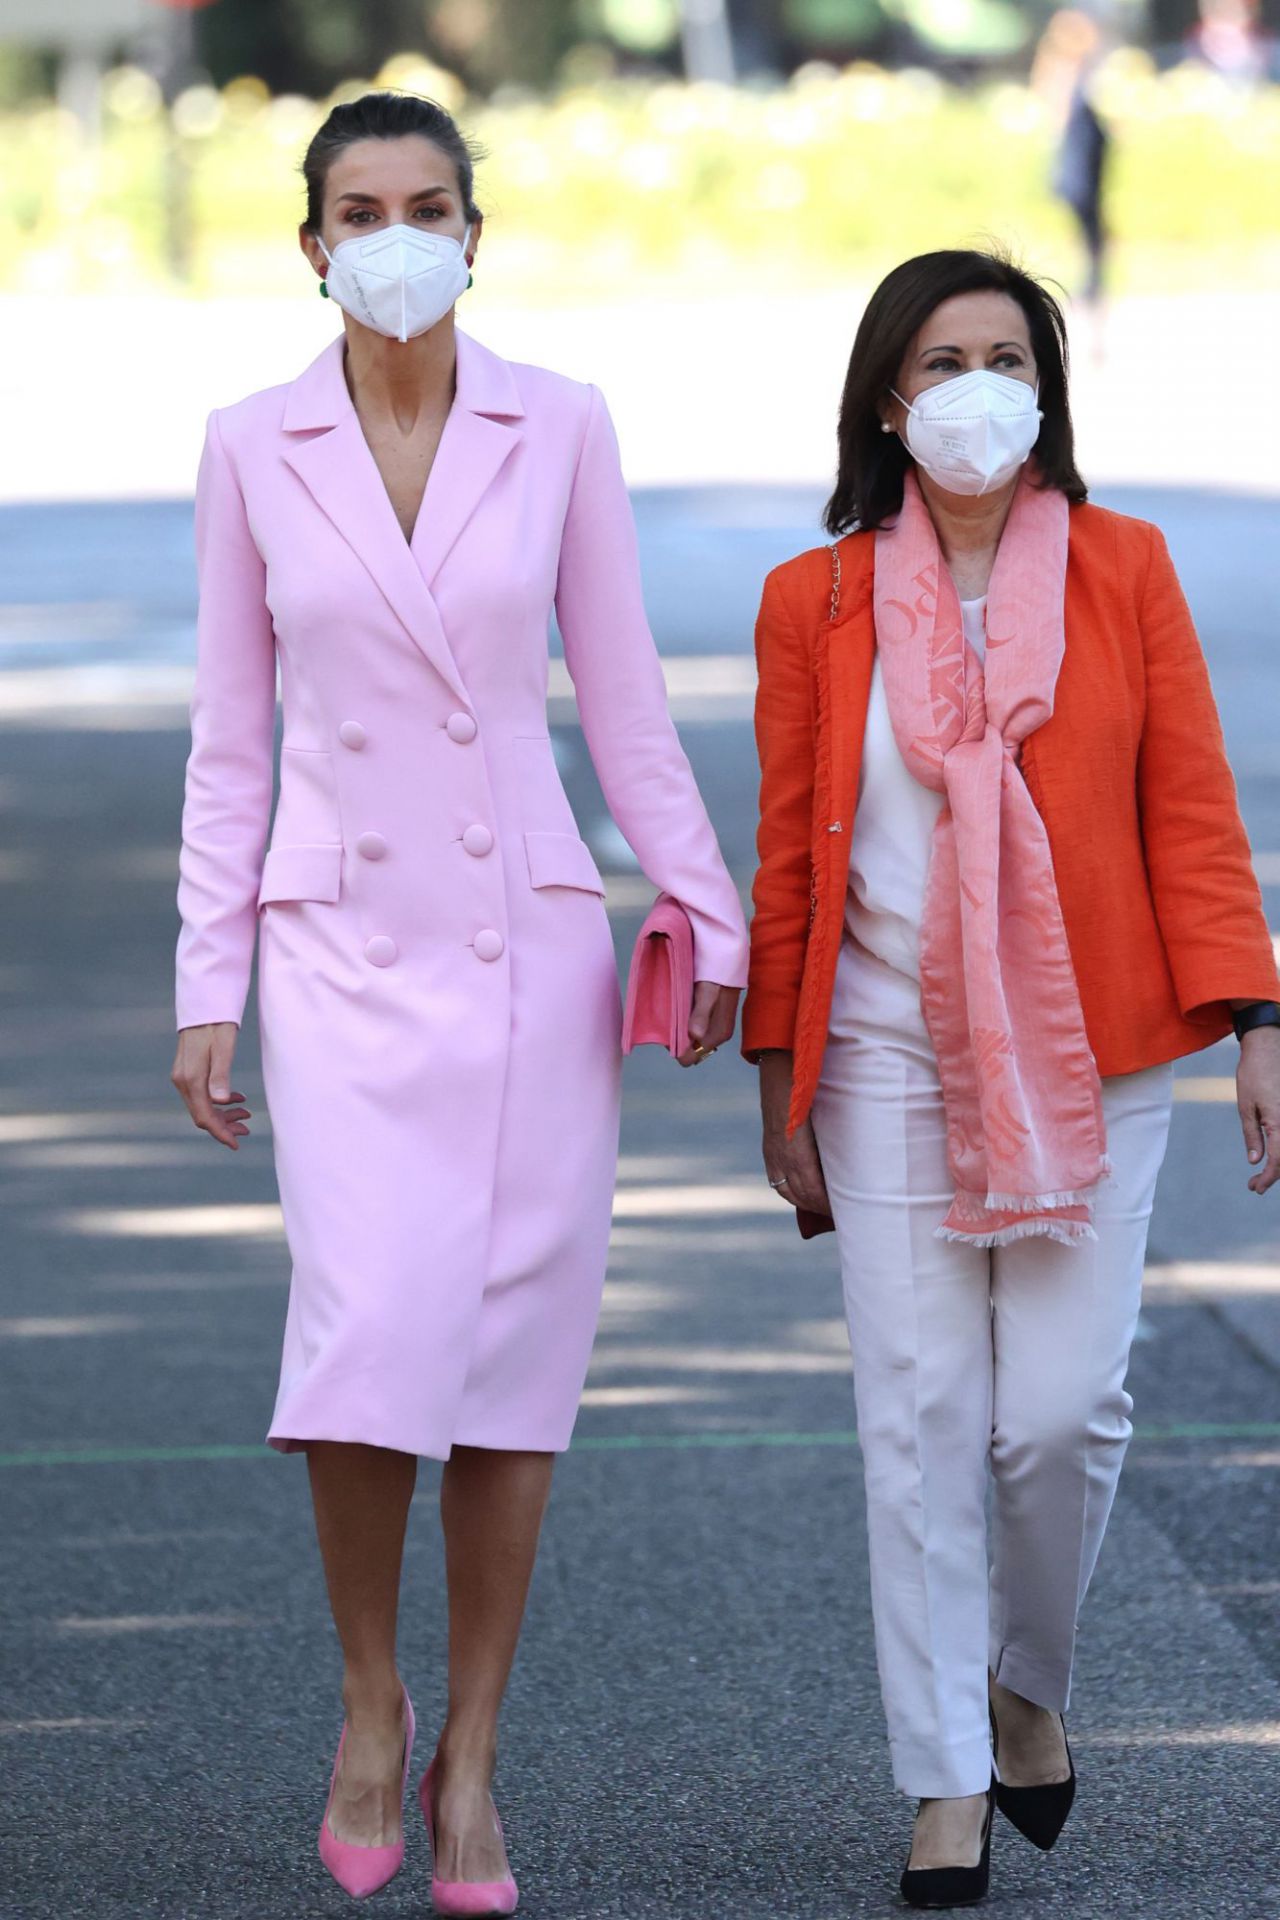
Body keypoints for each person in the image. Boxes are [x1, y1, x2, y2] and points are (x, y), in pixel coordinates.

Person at [170, 91, 746, 1914]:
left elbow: (624, 697)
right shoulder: (249, 444)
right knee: (361, 1337)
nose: (397, 235)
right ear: (312, 244)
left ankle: (472, 1754)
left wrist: (707, 905)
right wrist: (205, 979)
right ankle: (372, 1702)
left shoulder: (557, 422)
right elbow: (230, 740)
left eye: (430, 205)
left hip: (526, 947)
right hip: (338, 953)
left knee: (511, 1359)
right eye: (361, 209)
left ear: (476, 235)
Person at [743, 248, 1280, 1909]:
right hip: (881, 1050)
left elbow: (1192, 808)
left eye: (1005, 358)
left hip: (1088, 1051)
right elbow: (790, 853)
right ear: (886, 401)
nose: (974, 388)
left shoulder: (1126, 567)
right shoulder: (815, 599)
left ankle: (1027, 1687)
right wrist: (779, 1070)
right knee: (916, 1419)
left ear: (1043, 391)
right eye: (940, 361)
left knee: (1060, 1416)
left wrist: (1258, 1015)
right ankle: (944, 1778)